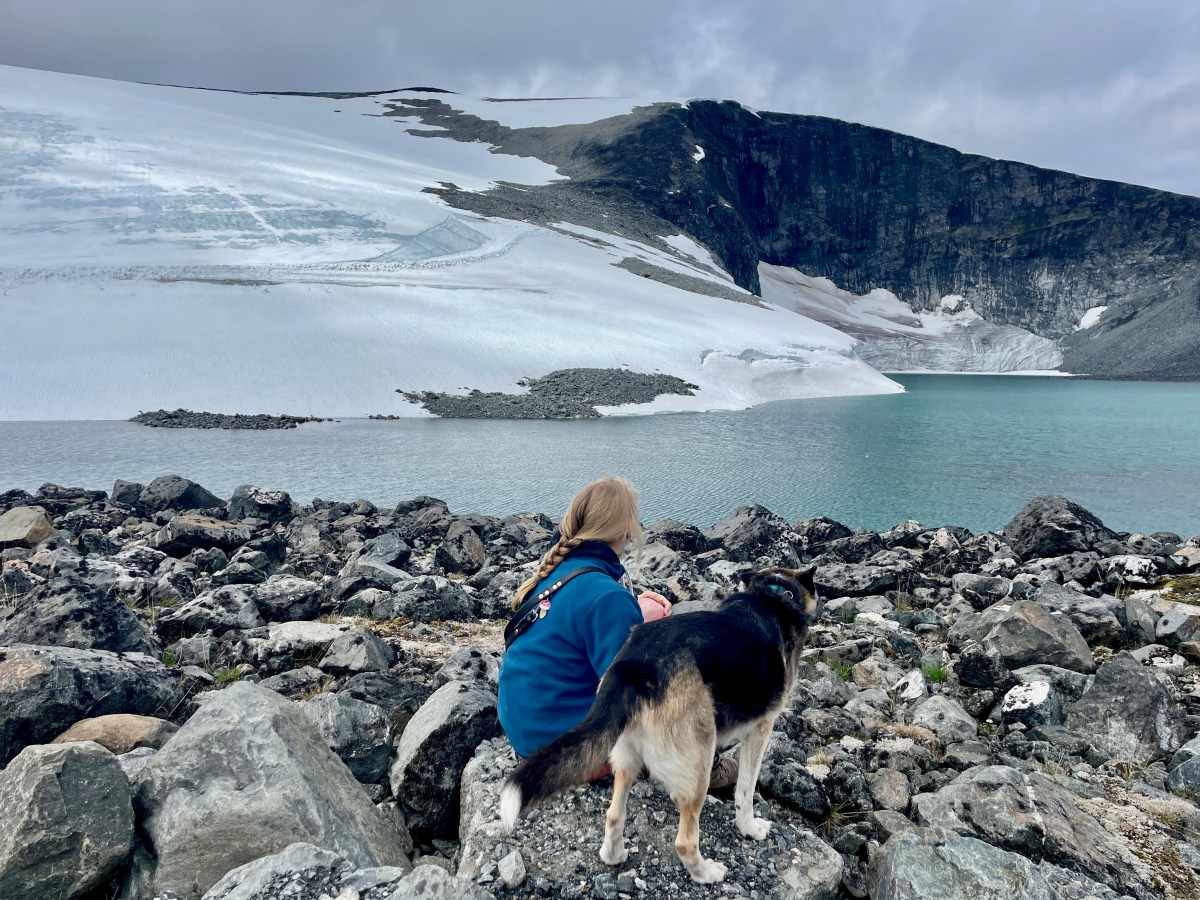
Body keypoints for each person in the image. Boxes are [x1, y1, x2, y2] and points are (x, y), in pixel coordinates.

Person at [497, 476, 738, 789]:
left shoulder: (557, 572)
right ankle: (708, 769)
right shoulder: (606, 597)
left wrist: (635, 614)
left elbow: (577, 628)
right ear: (625, 530)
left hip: (529, 733)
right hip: (566, 752)